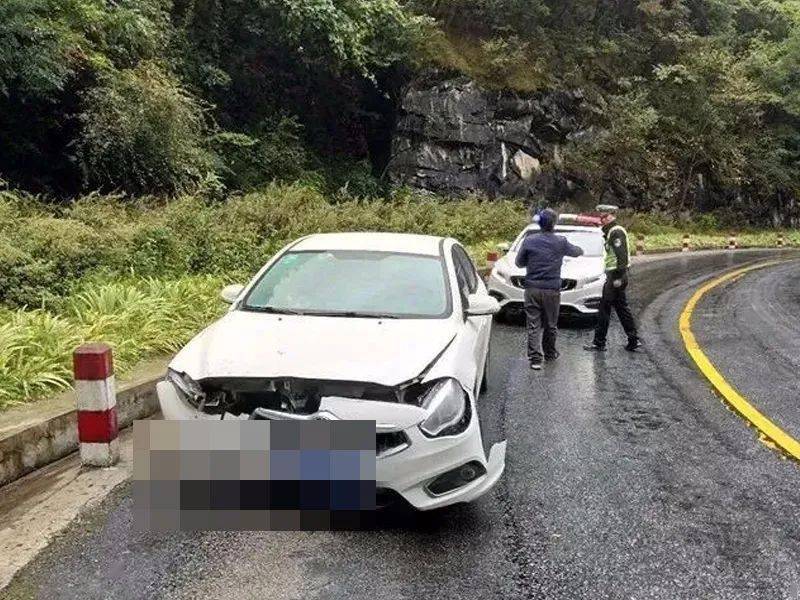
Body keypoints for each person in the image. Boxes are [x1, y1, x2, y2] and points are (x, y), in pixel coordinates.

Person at [515, 208, 584, 370]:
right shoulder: (560, 242)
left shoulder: (529, 241)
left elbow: (519, 263)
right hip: (552, 290)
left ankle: (535, 359)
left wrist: (533, 262)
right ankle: (550, 354)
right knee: (551, 324)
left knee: (533, 324)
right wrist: (581, 249)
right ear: (554, 224)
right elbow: (576, 252)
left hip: (532, 288)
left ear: (539, 224)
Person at [584, 214, 641, 352]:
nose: (601, 220)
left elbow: (621, 256)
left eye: (604, 218)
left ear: (611, 218)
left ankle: (599, 342)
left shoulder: (616, 231)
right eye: (601, 217)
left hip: (616, 276)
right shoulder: (611, 231)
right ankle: (633, 339)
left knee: (604, 309)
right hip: (617, 276)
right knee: (621, 308)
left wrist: (618, 278)